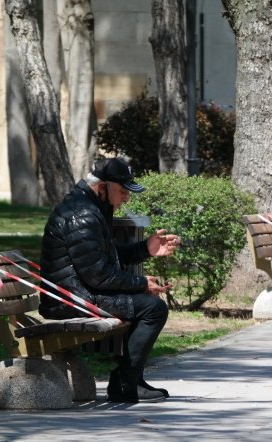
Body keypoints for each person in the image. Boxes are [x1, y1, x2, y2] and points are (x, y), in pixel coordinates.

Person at [39, 157, 181, 403]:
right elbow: (98, 275)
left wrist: (145, 249)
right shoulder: (82, 214)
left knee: (146, 304)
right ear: (102, 186)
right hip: (71, 300)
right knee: (153, 309)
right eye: (122, 191)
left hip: (80, 292)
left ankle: (130, 380)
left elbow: (106, 258)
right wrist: (141, 284)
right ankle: (125, 383)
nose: (126, 197)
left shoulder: (91, 207)